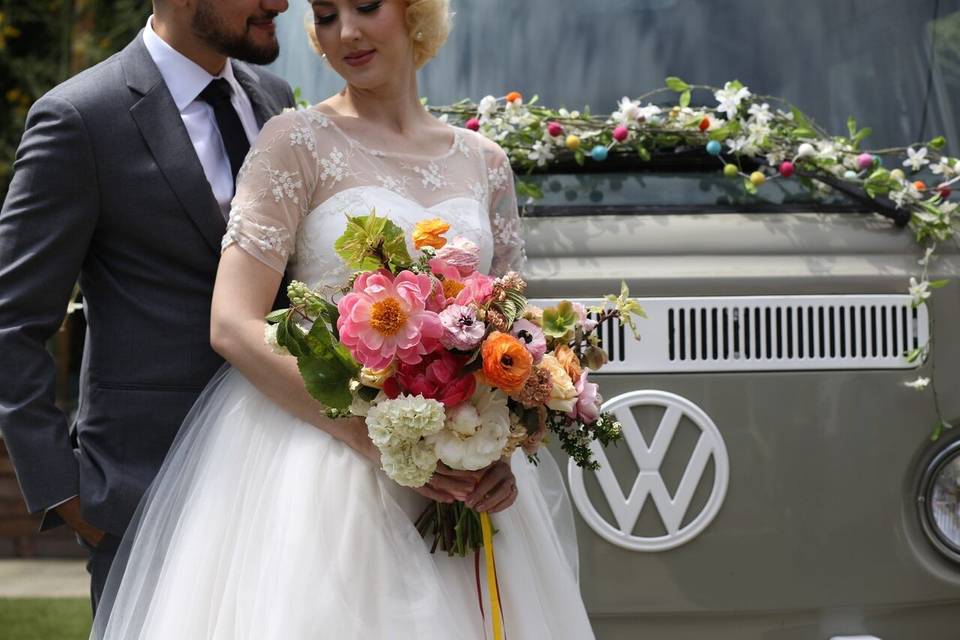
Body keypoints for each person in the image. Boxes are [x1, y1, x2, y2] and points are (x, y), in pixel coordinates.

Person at [91, 0, 596, 637]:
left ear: (415, 14)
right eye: (325, 16)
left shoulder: (485, 161)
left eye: (365, 7)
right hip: (325, 470)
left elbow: (511, 335)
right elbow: (232, 322)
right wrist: (369, 433)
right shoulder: (294, 141)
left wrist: (504, 447)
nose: (346, 32)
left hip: (463, 478)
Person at [0, 0, 295, 611]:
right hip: (145, 499)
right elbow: (11, 323)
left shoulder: (275, 99)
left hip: (288, 490)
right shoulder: (81, 117)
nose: (280, 3)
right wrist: (69, 498)